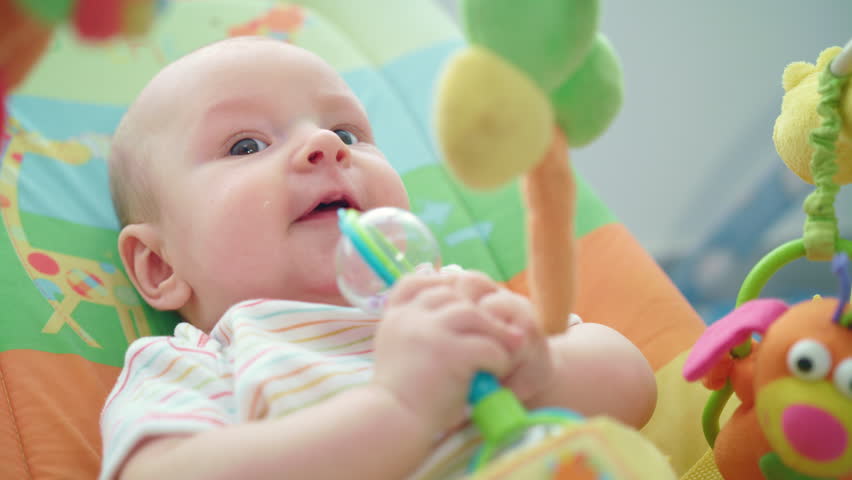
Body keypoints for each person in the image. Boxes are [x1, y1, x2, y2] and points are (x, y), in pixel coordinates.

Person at [100, 36, 657, 480]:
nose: (325, 143)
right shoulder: (193, 366)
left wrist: (543, 373)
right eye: (246, 146)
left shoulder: (448, 296)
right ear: (160, 266)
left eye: (346, 130)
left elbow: (633, 386)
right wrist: (399, 408)